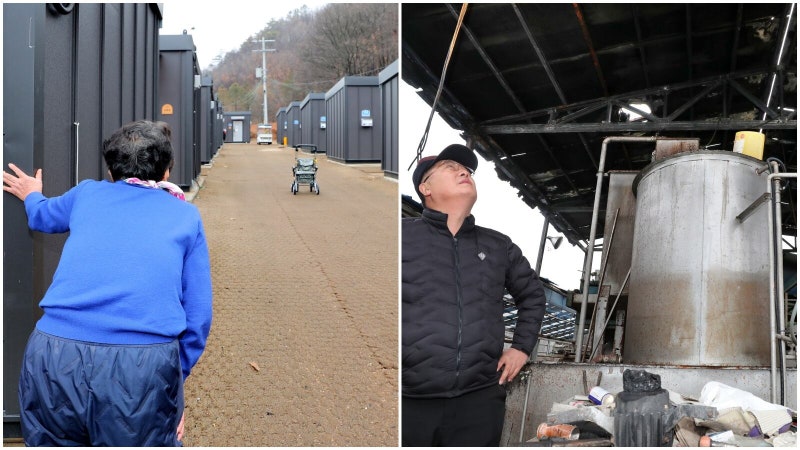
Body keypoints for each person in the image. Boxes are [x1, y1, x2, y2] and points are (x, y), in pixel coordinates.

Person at [2, 120, 213, 446]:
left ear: (111, 172)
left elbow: (42, 216)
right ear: (167, 173)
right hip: (141, 367)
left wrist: (31, 194)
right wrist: (173, 385)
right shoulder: (185, 217)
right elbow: (198, 318)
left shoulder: (87, 193)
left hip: (52, 354)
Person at [402, 143, 547, 446]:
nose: (463, 171)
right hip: (408, 401)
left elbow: (532, 295)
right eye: (449, 167)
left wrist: (521, 347)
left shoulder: (497, 246)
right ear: (425, 187)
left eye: (466, 169)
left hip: (478, 400)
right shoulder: (401, 237)